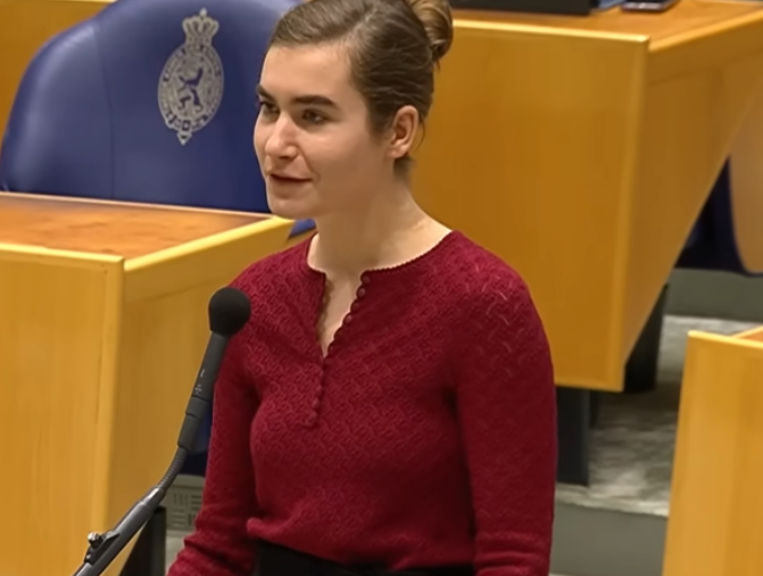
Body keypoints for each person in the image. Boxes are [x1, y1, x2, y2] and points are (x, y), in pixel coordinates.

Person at [167, 0, 557, 574]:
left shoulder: (484, 305)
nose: (276, 142)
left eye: (313, 116)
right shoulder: (254, 300)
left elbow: (512, 558)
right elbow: (218, 545)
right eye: (269, 108)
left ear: (399, 131)